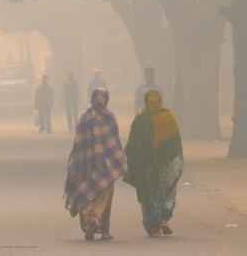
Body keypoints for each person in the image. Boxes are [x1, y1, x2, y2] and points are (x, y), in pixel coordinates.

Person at [64, 88, 128, 241]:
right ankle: (104, 230)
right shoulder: (110, 118)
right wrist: (122, 163)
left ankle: (91, 221)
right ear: (106, 100)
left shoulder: (83, 118)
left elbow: (78, 145)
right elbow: (115, 144)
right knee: (106, 198)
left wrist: (75, 165)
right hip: (106, 168)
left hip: (85, 168)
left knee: (88, 194)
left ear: (92, 100)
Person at [124, 90, 184, 237]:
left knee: (151, 194)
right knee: (168, 191)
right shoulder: (168, 115)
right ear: (160, 100)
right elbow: (176, 143)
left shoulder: (140, 118)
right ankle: (164, 219)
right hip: (169, 164)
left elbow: (132, 146)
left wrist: (131, 167)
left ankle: (153, 227)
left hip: (149, 167)